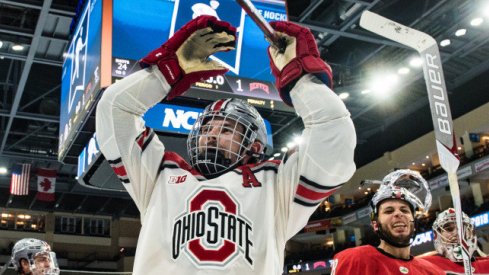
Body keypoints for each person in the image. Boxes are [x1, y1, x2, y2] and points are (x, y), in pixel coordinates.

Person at [96, 15, 356, 274]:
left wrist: (300, 79)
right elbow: (113, 110)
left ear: (254, 146)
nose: (210, 134)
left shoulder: (278, 184)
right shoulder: (158, 174)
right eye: (207, 127)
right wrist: (167, 70)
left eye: (227, 129)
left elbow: (333, 135)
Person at [331, 169, 444, 275]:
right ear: (375, 225)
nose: (398, 214)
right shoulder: (357, 259)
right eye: (389, 211)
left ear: (414, 223)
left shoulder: (432, 271)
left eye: (404, 210)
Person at [418, 208, 489, 274]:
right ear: (438, 236)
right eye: (449, 229)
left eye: (462, 228)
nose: (456, 233)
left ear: (471, 232)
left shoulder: (486, 264)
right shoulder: (426, 264)